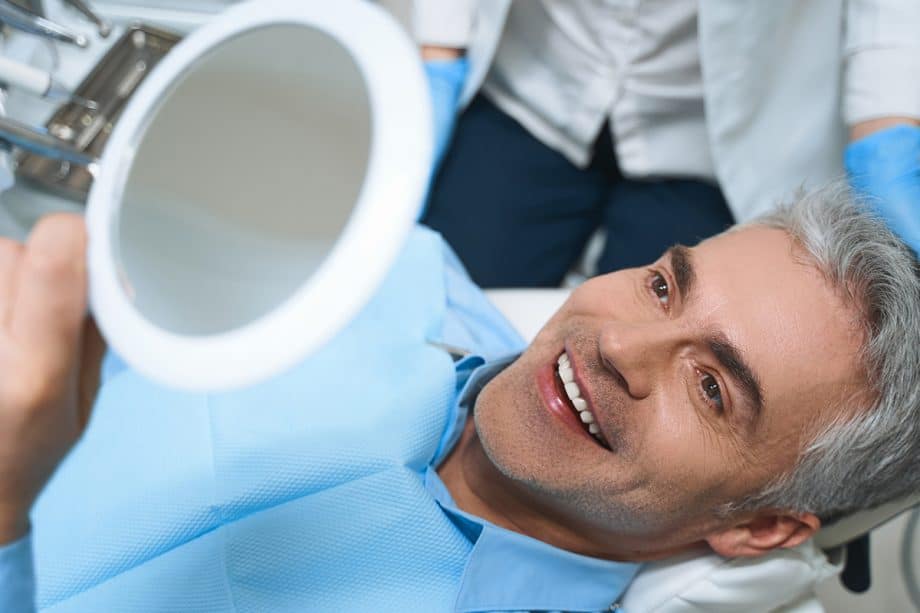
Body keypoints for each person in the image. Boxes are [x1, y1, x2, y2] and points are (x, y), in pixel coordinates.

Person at [1, 184, 919, 611]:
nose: (619, 345)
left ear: (759, 527)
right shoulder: (385, 268)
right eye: (664, 286)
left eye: (712, 386)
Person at [417, 1, 920, 287]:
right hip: (537, 79)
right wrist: (438, 44)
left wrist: (887, 117)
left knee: (653, 384)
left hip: (710, 135)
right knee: (438, 307)